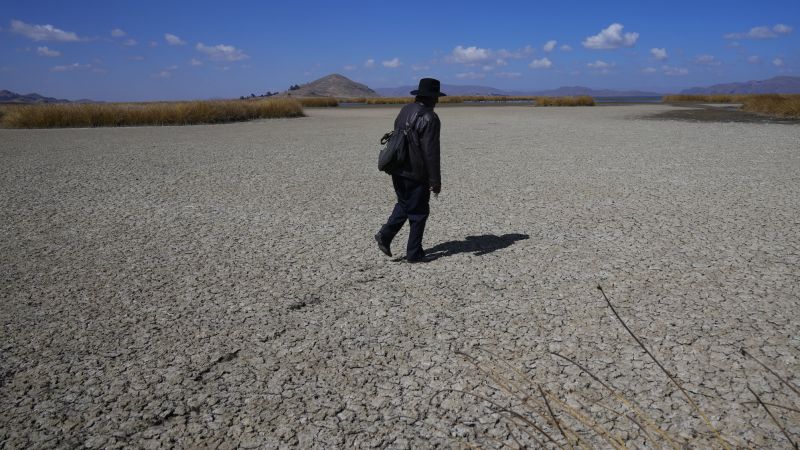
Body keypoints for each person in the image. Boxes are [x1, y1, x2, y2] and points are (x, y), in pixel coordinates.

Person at [375, 78, 444, 262]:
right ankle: (414, 253)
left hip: (397, 167)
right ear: (431, 98)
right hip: (415, 172)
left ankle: (385, 235)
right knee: (419, 212)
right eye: (436, 97)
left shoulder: (406, 109)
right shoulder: (430, 117)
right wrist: (435, 181)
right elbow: (431, 153)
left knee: (405, 204)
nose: (437, 101)